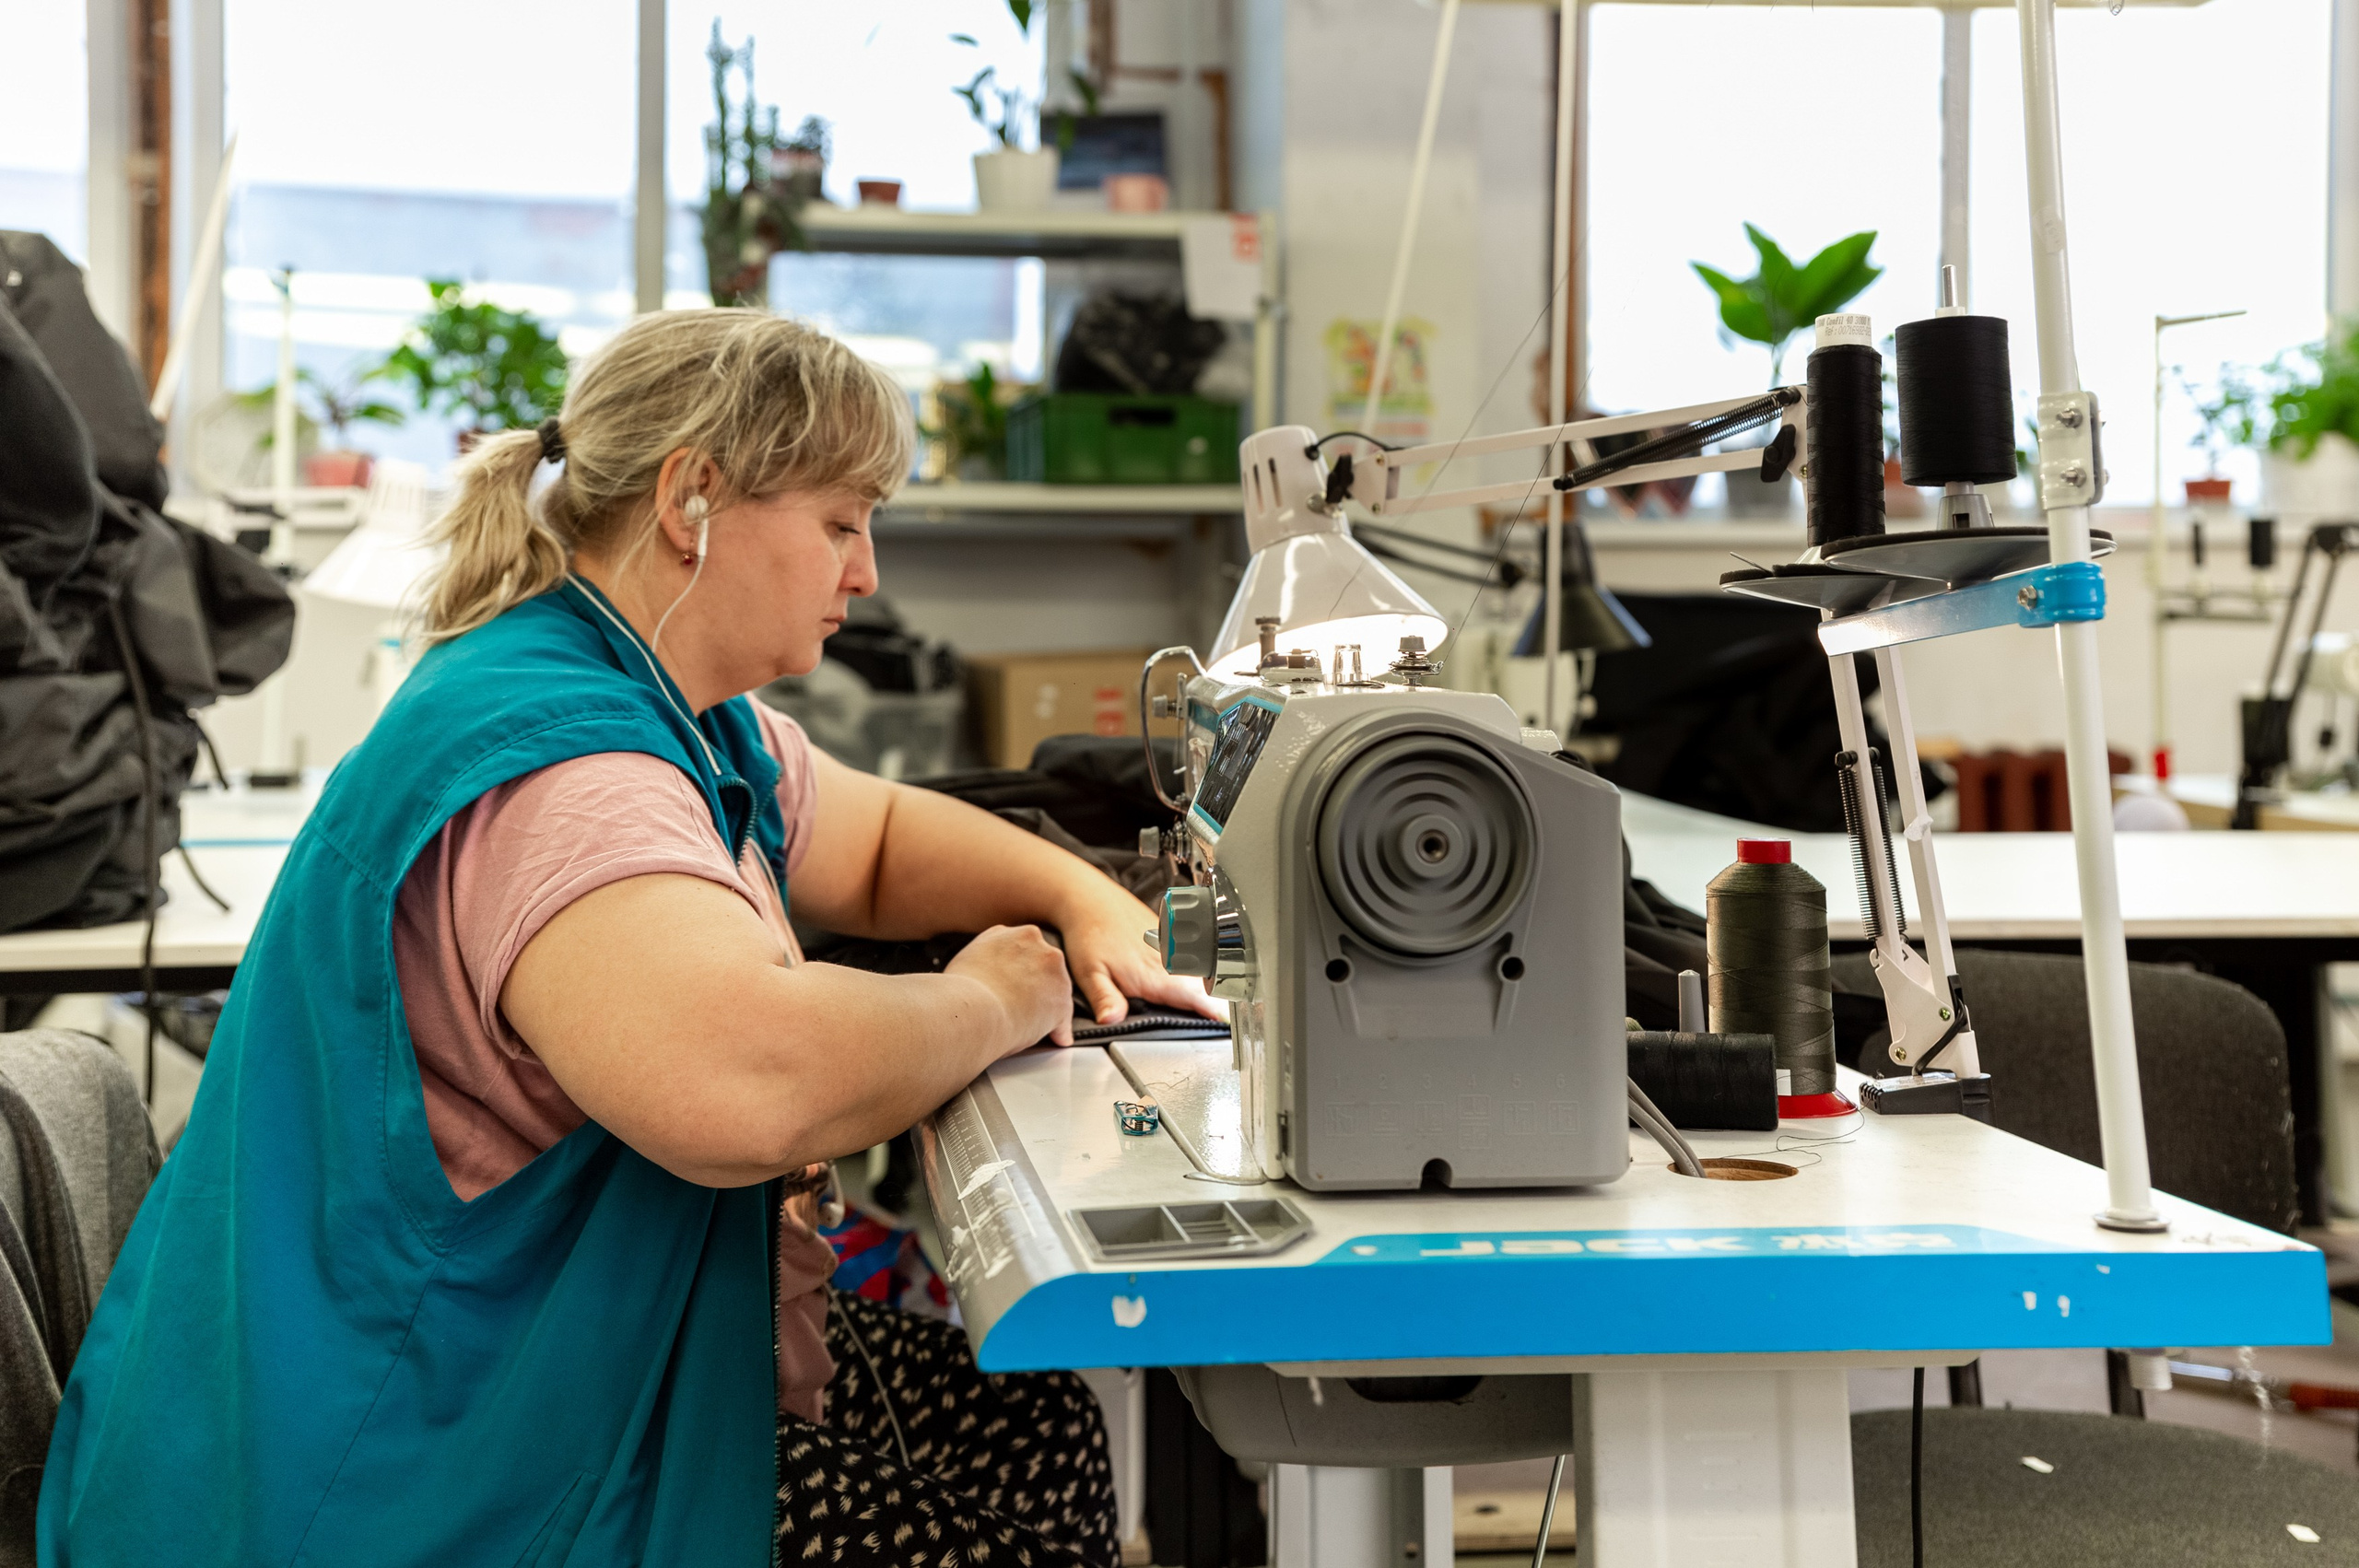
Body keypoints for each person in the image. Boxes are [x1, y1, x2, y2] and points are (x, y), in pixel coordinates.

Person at [41, 310, 1211, 1566]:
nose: (867, 573)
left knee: (1037, 1428)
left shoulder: (669, 704)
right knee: (1009, 1527)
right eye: (841, 522)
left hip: (503, 1358)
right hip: (394, 1467)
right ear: (692, 498)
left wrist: (1080, 897)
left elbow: (872, 844)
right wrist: (994, 996)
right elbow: (751, 1083)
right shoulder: (572, 770)